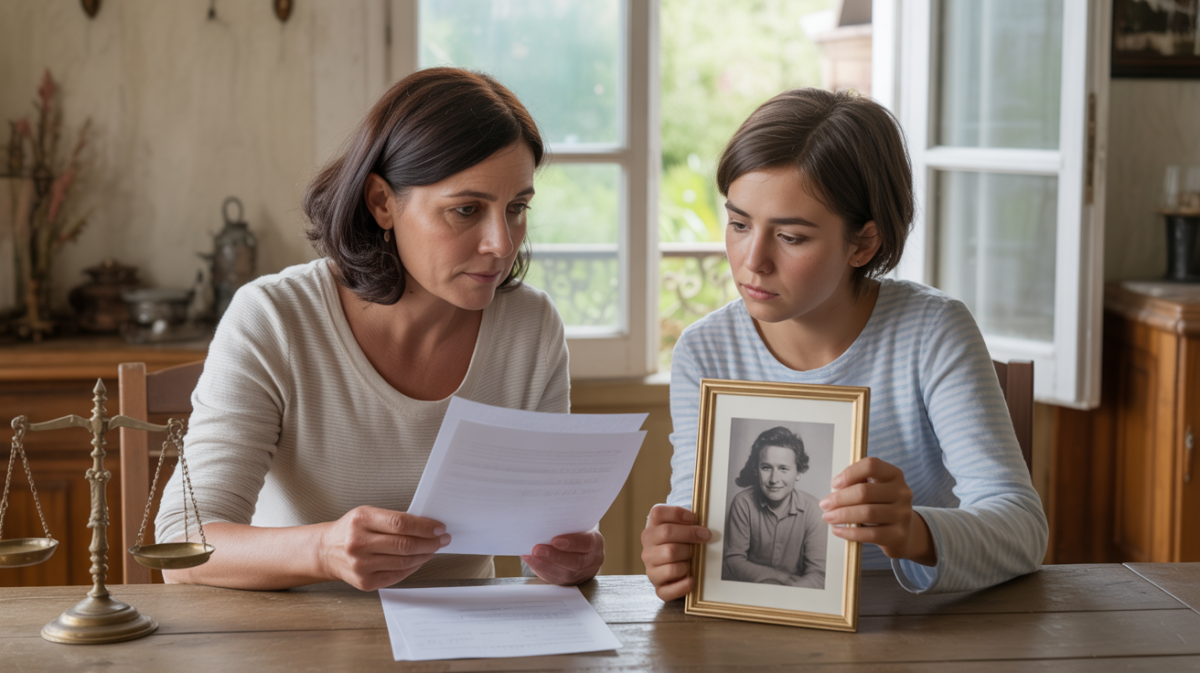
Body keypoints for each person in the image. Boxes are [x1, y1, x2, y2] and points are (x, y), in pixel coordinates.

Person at [155, 68, 603, 591]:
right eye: (466, 210)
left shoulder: (532, 328)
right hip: (296, 646)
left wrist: (572, 554)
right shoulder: (272, 318)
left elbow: (542, 543)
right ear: (382, 203)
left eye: (517, 209)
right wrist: (323, 550)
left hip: (468, 646)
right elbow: (181, 547)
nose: (502, 243)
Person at [641, 88, 1048, 600]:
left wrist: (914, 532)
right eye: (739, 224)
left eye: (791, 238)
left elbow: (1023, 530)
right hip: (757, 634)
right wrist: (676, 553)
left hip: (920, 636)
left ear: (863, 243)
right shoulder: (705, 350)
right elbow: (697, 523)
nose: (752, 260)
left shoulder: (932, 331)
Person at [723, 426, 826, 588]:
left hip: (797, 595)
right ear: (756, 470)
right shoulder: (743, 503)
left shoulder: (814, 509)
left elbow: (819, 574)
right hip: (750, 590)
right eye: (766, 468)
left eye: (783, 469)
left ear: (799, 472)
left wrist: (789, 592)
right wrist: (781, 579)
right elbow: (733, 560)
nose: (773, 479)